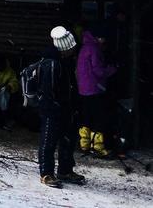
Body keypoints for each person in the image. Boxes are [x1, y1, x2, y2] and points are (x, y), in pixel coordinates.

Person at [37, 26, 86, 188]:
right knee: (48, 142)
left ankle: (65, 171)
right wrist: (54, 108)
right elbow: (48, 91)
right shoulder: (51, 63)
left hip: (66, 108)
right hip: (53, 110)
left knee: (68, 140)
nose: (74, 50)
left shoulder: (65, 60)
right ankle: (46, 173)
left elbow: (70, 85)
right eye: (71, 48)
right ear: (64, 48)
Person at [76, 28, 117, 157]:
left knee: (86, 117)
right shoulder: (95, 49)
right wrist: (112, 69)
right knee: (98, 118)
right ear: (98, 37)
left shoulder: (84, 47)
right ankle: (97, 146)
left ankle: (85, 144)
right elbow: (98, 70)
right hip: (94, 87)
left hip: (83, 88)